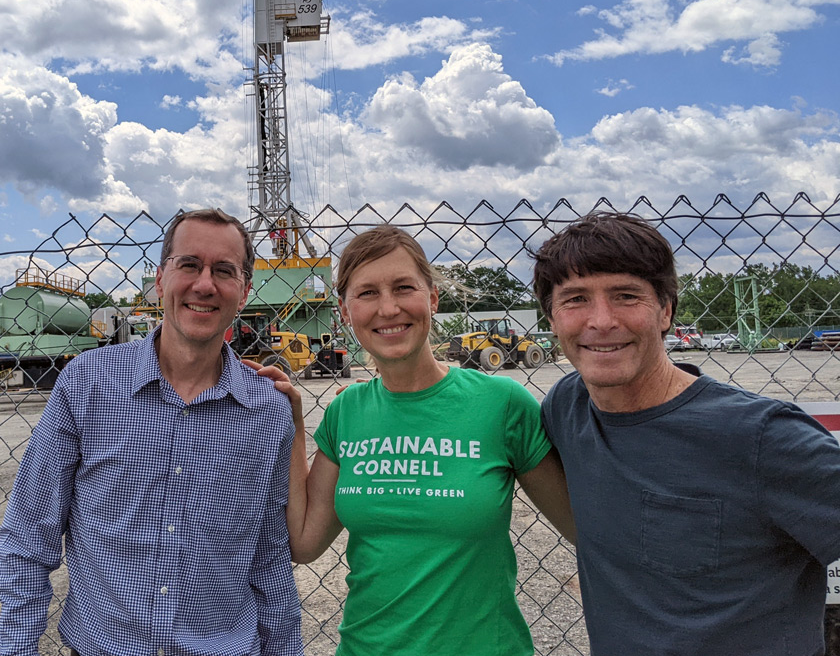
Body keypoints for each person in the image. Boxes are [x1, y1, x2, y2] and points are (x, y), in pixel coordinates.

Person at [533, 211, 840, 656]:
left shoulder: (764, 437)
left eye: (626, 295)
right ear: (552, 318)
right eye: (576, 299)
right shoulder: (567, 406)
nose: (601, 320)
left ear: (666, 311)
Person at [0, 209, 302, 656]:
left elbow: (269, 558)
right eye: (189, 265)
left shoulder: (268, 412)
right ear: (161, 280)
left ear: (244, 291)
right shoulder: (87, 384)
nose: (204, 284)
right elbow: (28, 537)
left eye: (224, 271)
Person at [272, 225, 575, 656]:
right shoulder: (346, 412)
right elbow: (304, 543)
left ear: (432, 298)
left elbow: (584, 529)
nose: (388, 308)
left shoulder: (502, 404)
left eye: (403, 287)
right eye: (367, 293)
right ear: (344, 311)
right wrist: (292, 424)